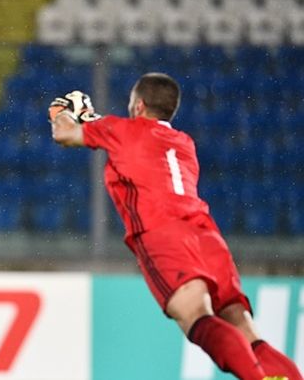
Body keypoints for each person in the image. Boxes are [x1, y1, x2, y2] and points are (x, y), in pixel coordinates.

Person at [49, 72, 302, 380]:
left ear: (138, 105)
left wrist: (63, 111)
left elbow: (64, 134)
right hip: (206, 233)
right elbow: (132, 138)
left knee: (197, 317)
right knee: (244, 328)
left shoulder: (121, 129)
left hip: (163, 234)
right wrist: (90, 117)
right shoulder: (183, 143)